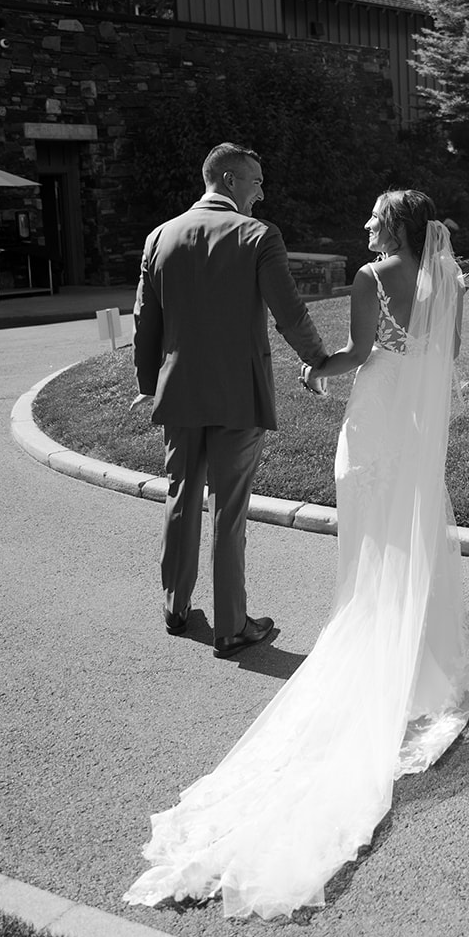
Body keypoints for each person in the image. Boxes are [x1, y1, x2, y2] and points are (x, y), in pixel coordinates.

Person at [123, 189, 469, 920]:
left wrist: (319, 372)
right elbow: (448, 351)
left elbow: (356, 352)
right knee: (413, 513)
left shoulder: (371, 277)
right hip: (419, 415)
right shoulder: (446, 277)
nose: (364, 223)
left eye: (374, 216)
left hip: (378, 413)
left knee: (372, 520)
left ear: (395, 226)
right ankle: (419, 628)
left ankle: (375, 620)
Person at [131, 141, 327, 658]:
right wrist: (318, 358)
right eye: (257, 181)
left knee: (181, 496)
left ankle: (175, 606)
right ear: (230, 180)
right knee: (229, 510)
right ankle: (231, 626)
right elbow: (289, 312)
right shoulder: (258, 236)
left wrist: (147, 384)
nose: (263, 191)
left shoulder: (159, 236)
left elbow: (145, 320)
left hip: (179, 391)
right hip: (237, 393)